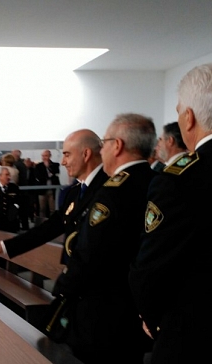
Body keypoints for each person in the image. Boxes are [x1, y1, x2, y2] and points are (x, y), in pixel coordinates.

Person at [129, 63, 212, 363]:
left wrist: (154, 318)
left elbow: (152, 267)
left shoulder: (179, 179)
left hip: (198, 335)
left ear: (189, 117)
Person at [51, 114, 156, 363]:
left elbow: (89, 253)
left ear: (117, 145)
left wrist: (62, 288)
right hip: (137, 309)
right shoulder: (157, 182)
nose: (102, 149)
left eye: (105, 143)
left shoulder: (113, 192)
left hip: (103, 313)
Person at [0, 129, 109, 266]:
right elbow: (48, 229)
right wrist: (2, 247)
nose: (63, 162)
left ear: (86, 154)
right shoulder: (74, 192)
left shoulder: (110, 189)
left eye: (67, 155)